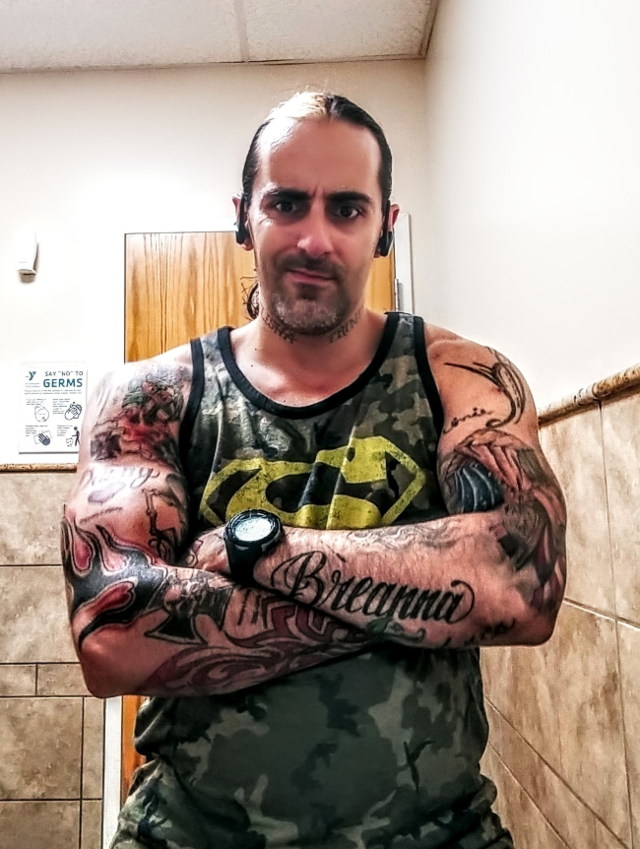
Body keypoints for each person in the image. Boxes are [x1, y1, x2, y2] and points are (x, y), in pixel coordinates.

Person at [61, 91, 566, 849]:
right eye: (287, 203)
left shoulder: (461, 377)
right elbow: (113, 636)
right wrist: (415, 601)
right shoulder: (151, 397)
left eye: (348, 209)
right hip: (190, 834)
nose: (315, 239)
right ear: (245, 217)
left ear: (385, 227)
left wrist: (263, 554)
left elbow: (523, 587)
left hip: (437, 831)